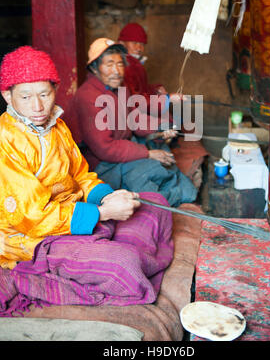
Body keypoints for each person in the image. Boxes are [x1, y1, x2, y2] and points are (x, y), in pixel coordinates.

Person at [0, 45, 174, 316]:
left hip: (75, 211)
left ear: (55, 90)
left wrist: (106, 196)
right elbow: (32, 216)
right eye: (26, 97)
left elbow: (81, 175)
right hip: (32, 238)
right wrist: (102, 213)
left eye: (45, 94)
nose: (37, 107)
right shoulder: (6, 142)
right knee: (124, 265)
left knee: (154, 204)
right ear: (7, 96)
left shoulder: (56, 126)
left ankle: (113, 245)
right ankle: (119, 252)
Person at [73, 38, 198, 208]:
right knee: (151, 169)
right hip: (102, 164)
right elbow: (105, 148)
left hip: (123, 149)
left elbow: (135, 119)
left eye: (120, 64)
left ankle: (177, 195)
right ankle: (163, 201)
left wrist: (162, 127)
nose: (116, 71)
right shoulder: (88, 96)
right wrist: (147, 153)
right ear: (95, 68)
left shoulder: (120, 88)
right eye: (109, 64)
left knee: (165, 156)